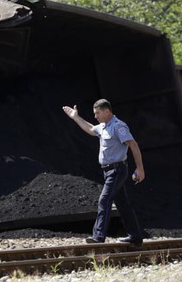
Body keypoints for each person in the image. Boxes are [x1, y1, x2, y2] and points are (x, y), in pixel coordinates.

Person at [62, 99, 145, 246]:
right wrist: (76, 117)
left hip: (117, 170)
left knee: (104, 200)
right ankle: (135, 236)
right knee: (123, 204)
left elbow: (133, 144)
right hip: (108, 171)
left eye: (98, 113)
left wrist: (140, 168)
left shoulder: (118, 126)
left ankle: (98, 236)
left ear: (107, 111)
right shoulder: (103, 126)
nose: (96, 116)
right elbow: (90, 129)